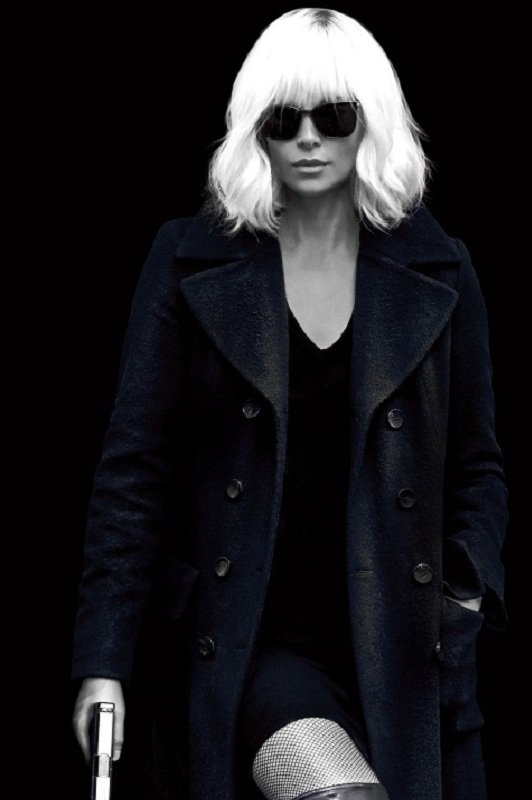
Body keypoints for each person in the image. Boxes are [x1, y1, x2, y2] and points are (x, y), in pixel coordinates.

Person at [71, 8, 508, 800]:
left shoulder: (441, 270)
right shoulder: (188, 261)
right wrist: (105, 660)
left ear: (370, 124)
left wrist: (465, 588)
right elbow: (133, 472)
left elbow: (478, 465)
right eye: (284, 119)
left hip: (403, 644)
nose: (308, 138)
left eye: (333, 116)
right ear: (256, 132)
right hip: (249, 642)